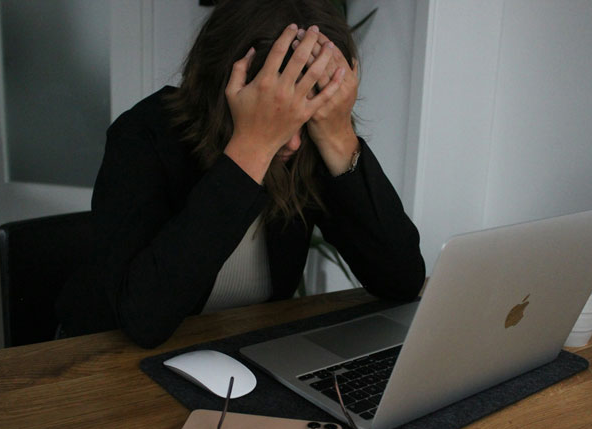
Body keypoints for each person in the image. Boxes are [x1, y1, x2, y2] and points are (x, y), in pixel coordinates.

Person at [55, 0, 425, 348]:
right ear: (224, 87)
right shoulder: (142, 134)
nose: (294, 143)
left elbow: (401, 281)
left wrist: (339, 136)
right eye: (276, 112)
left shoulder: (313, 142)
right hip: (104, 358)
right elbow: (143, 319)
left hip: (237, 351)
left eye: (307, 112)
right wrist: (252, 150)